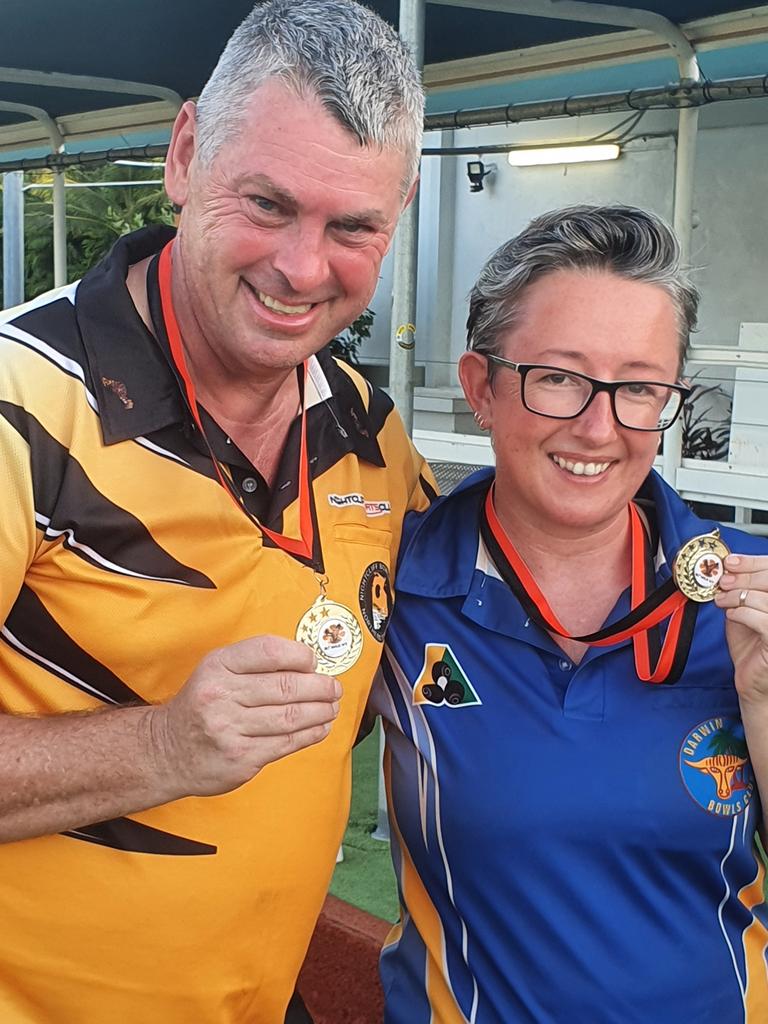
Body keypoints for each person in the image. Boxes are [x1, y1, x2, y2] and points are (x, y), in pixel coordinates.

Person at [0, 2, 436, 1021]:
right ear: (186, 154)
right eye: (269, 203)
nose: (301, 267)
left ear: (402, 209)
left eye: (354, 226)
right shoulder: (20, 406)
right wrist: (160, 747)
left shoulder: (373, 433)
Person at [371, 205, 768, 1023]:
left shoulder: (742, 594)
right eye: (559, 377)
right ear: (481, 387)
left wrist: (762, 701)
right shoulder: (392, 589)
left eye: (640, 387)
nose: (599, 426)